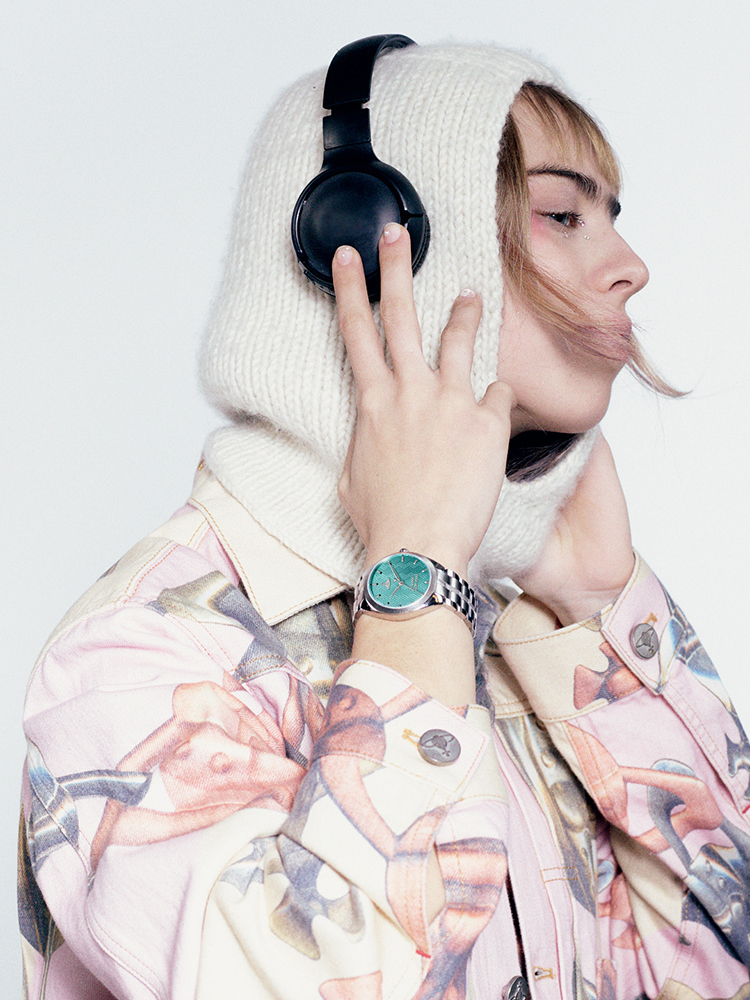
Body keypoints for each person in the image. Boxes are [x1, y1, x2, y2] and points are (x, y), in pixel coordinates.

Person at [19, 37, 750, 1000]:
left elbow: (722, 968)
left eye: (612, 216)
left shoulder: (508, 640)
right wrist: (417, 574)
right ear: (361, 240)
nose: (631, 266)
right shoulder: (138, 657)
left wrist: (603, 626)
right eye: (563, 214)